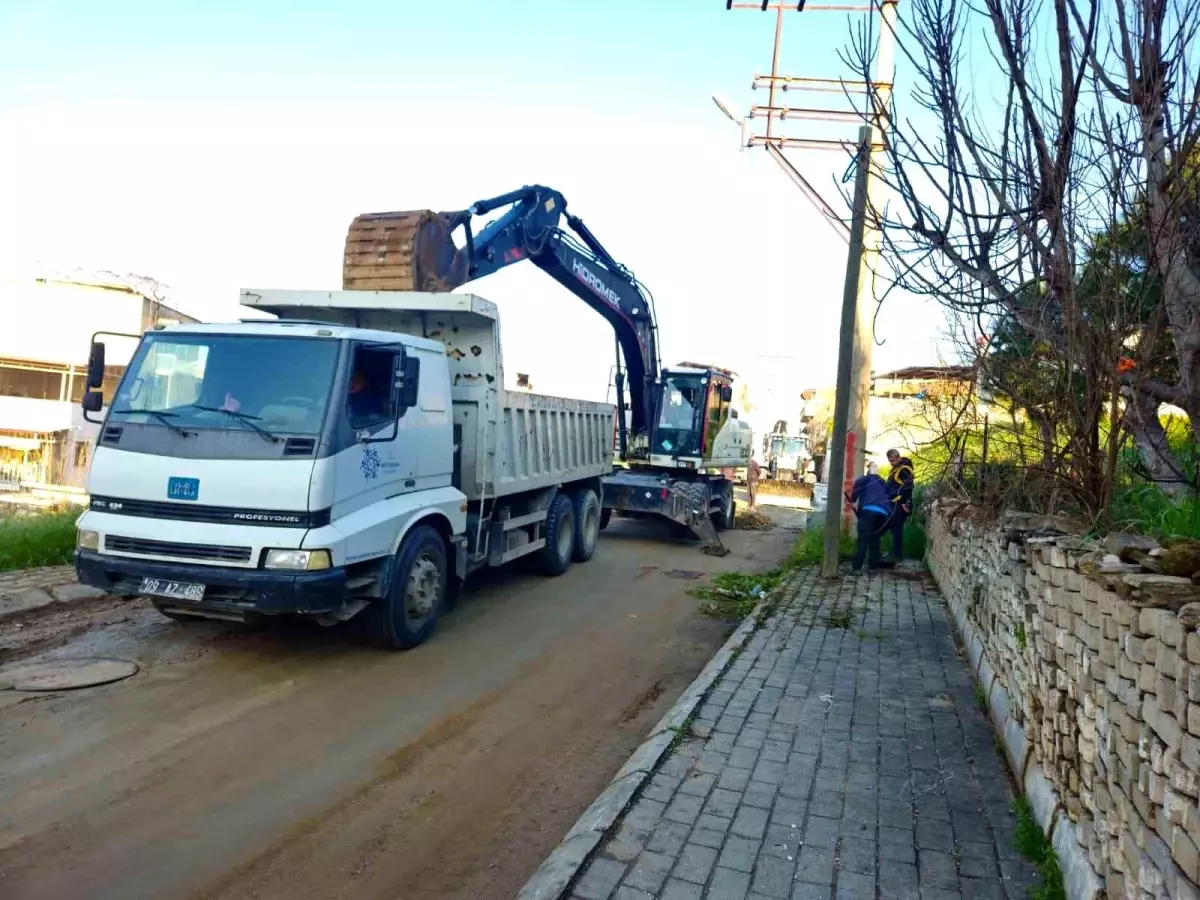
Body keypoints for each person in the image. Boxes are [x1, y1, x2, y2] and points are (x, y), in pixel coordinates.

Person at [848, 461, 891, 573]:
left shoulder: (866, 479)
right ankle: (873, 567)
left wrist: (853, 501)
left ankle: (857, 568)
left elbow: (857, 487)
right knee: (875, 538)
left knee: (863, 539)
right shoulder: (883, 482)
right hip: (884, 514)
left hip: (868, 511)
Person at [885, 448, 915, 561]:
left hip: (901, 503)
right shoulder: (896, 468)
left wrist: (904, 503)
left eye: (892, 460)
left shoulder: (904, 469)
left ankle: (897, 554)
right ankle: (894, 551)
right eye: (890, 461)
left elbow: (908, 487)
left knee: (897, 528)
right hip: (896, 503)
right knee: (894, 528)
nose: (891, 463)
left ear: (898, 457)